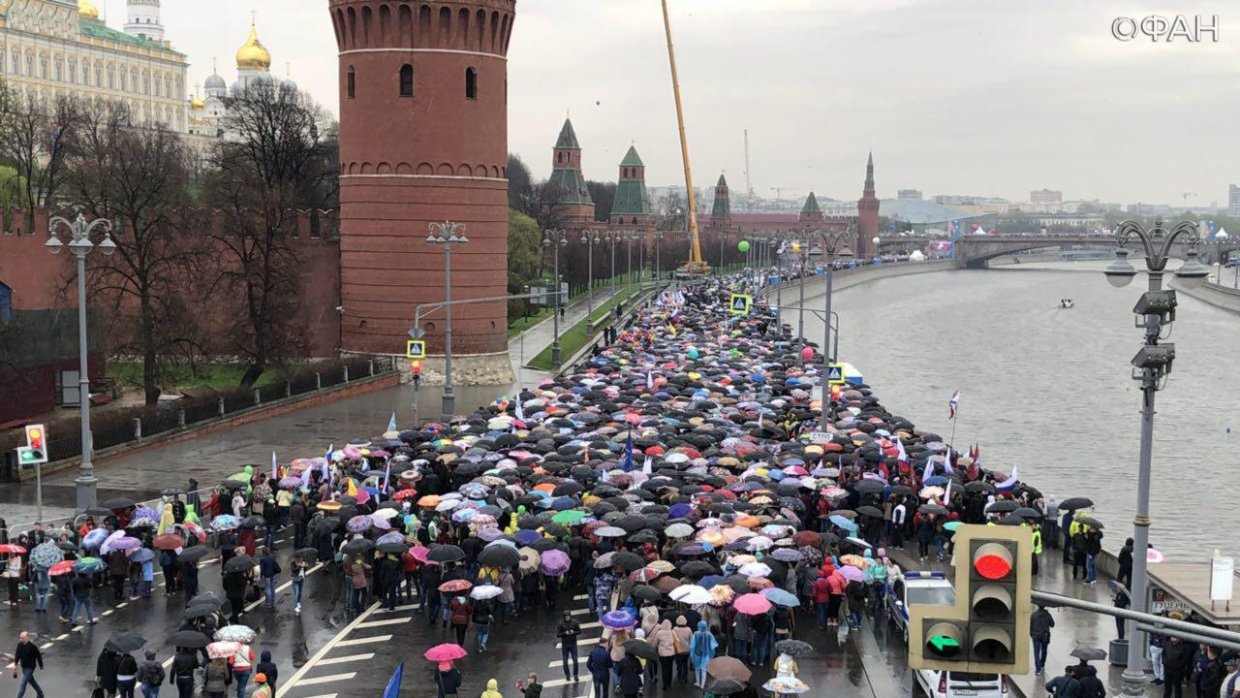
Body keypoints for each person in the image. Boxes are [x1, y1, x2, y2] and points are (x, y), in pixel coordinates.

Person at [13, 631, 45, 698]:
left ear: (27, 637)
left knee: (23, 684)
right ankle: (40, 694)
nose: (20, 639)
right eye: (20, 638)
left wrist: (41, 666)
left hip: (30, 668)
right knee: (32, 681)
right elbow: (17, 655)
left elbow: (38, 656)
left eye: (22, 638)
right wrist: (15, 665)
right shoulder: (19, 645)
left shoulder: (32, 647)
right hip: (24, 667)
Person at [690, 619, 717, 688]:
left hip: (697, 653)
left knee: (697, 668)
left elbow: (692, 646)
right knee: (704, 669)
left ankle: (698, 682)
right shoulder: (709, 634)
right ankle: (702, 685)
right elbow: (713, 645)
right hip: (706, 654)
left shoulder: (695, 634)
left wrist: (691, 653)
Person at [556, 610, 581, 681]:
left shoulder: (575, 622)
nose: (567, 618)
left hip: (573, 643)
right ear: (564, 617)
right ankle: (567, 675)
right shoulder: (560, 624)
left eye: (568, 616)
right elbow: (558, 634)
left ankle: (575, 675)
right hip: (565, 644)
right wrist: (564, 633)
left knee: (575, 660)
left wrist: (574, 632)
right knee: (565, 661)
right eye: (566, 617)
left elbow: (579, 631)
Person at [1031, 605, 1055, 674]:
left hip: (1035, 635)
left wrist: (1031, 634)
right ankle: (1042, 665)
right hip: (1045, 636)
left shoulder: (1033, 615)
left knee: (1036, 652)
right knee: (1044, 651)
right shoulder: (1048, 615)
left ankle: (1037, 669)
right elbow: (1052, 624)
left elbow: (1030, 625)